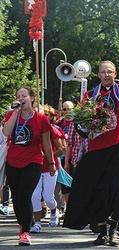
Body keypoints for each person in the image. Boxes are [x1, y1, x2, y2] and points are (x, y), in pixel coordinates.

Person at [62, 32, 119, 247]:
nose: (106, 74)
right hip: (97, 149)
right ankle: (101, 228)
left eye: (110, 71)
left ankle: (114, 227)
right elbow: (80, 124)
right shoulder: (90, 96)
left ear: (115, 73)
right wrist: (85, 128)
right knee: (97, 191)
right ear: (98, 75)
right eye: (103, 72)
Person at [2, 86, 55, 246]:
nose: (20, 98)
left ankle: (26, 231)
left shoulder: (41, 119)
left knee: (25, 195)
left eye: (24, 95)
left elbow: (46, 144)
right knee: (16, 198)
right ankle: (23, 223)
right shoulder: (12, 114)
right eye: (18, 96)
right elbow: (6, 132)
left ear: (31, 98)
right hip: (13, 161)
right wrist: (15, 113)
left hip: (33, 162)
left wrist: (51, 163)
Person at [30, 104, 66, 233]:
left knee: (48, 197)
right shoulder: (32, 129)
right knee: (34, 196)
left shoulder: (53, 130)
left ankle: (54, 210)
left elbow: (62, 149)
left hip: (50, 167)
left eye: (45, 114)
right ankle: (37, 223)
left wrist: (47, 157)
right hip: (35, 167)